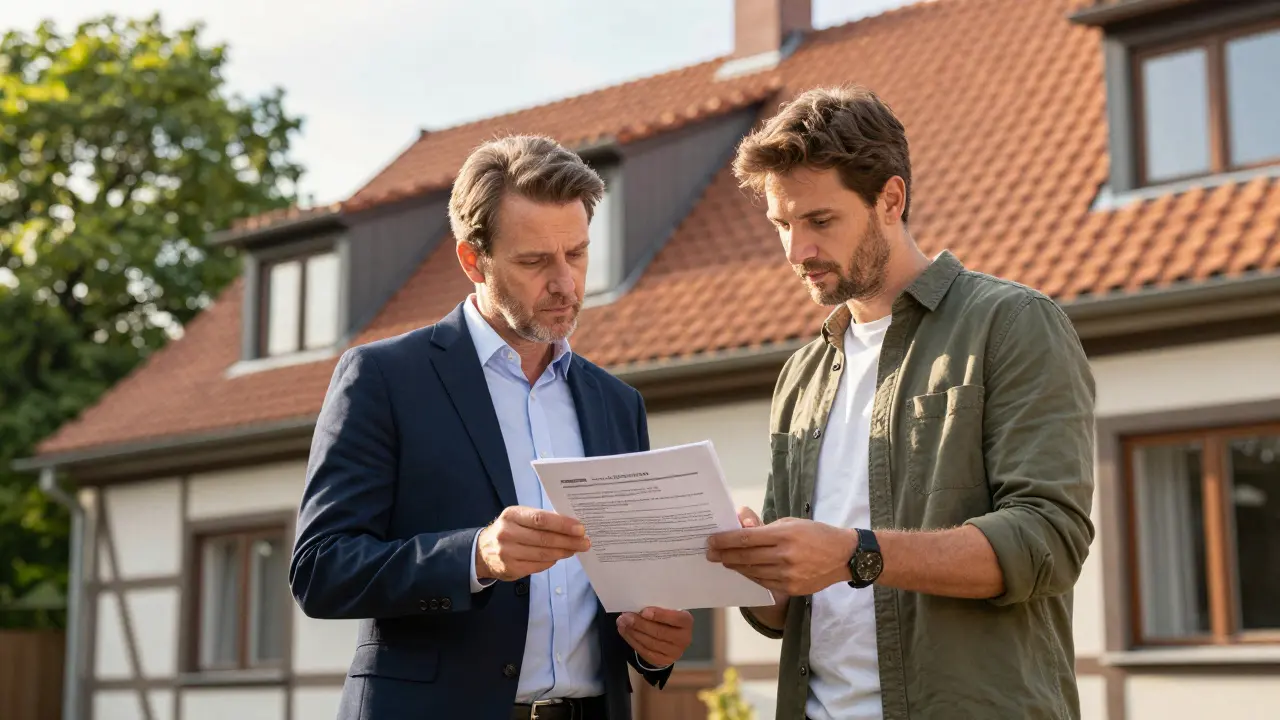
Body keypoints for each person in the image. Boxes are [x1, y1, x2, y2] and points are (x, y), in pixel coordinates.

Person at [704, 86, 1097, 720]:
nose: (797, 251)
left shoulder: (1012, 324)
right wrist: (754, 566)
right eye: (782, 225)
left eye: (820, 221)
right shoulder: (801, 376)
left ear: (891, 200)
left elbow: (1047, 540)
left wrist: (854, 553)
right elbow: (785, 611)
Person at [290, 135, 693, 720]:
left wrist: (653, 645)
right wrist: (475, 557)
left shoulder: (617, 403)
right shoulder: (383, 378)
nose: (565, 283)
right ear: (472, 260)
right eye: (534, 261)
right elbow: (320, 569)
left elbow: (625, 583)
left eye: (577, 253)